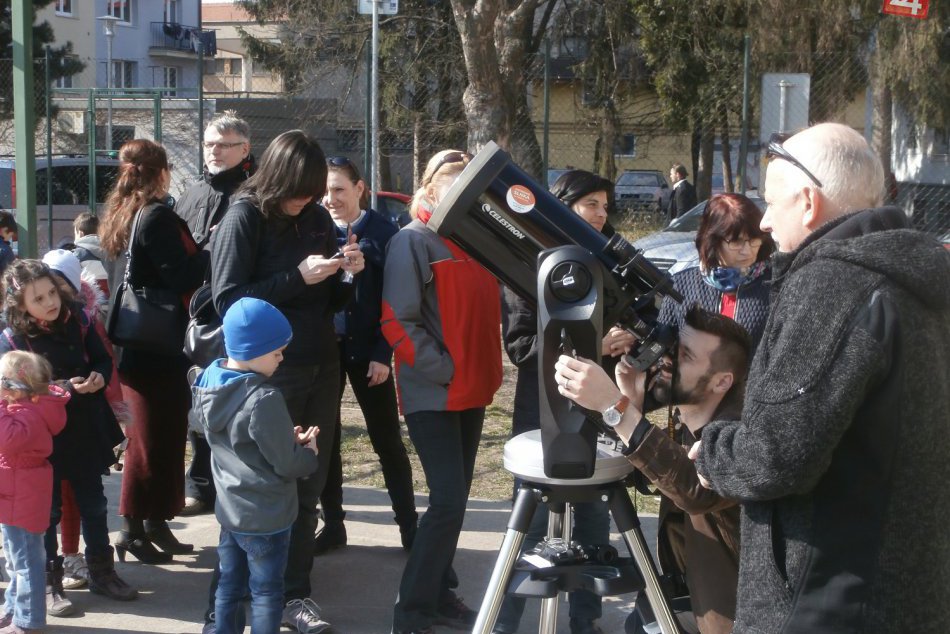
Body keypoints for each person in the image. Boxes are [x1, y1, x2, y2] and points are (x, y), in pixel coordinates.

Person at [685, 122, 950, 633]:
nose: (762, 223)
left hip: (824, 603)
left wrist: (714, 451)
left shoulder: (831, 285)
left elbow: (776, 457)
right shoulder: (914, 278)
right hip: (901, 590)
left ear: (807, 203)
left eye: (771, 201)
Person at [209, 129, 364, 634]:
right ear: (275, 178)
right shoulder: (244, 216)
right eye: (298, 190)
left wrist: (345, 274)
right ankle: (227, 606)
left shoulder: (317, 217)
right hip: (267, 376)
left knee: (306, 483)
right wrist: (299, 276)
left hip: (320, 362)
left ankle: (293, 595)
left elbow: (330, 303)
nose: (306, 201)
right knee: (257, 489)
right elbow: (228, 302)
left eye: (313, 191)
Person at [495, 169, 636, 634]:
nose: (601, 215)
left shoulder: (609, 260)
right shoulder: (528, 265)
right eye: (591, 204)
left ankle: (585, 623)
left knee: (595, 523)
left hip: (599, 413)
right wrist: (597, 346)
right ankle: (502, 622)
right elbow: (522, 349)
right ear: (564, 207)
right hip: (546, 413)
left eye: (604, 205)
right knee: (531, 529)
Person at [554, 306, 751, 634]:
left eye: (686, 356)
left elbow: (695, 489)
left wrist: (614, 407)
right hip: (692, 595)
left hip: (736, 618)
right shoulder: (690, 420)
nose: (668, 360)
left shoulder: (739, 436)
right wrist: (630, 404)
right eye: (673, 347)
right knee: (641, 618)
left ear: (722, 382)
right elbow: (658, 470)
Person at [382, 149, 503, 634]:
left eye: (468, 183)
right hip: (434, 393)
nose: (461, 190)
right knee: (447, 501)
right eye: (451, 181)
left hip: (470, 390)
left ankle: (438, 593)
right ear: (428, 188)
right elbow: (397, 321)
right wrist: (445, 370)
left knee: (454, 501)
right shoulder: (411, 242)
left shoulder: (474, 243)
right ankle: (410, 611)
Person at [0, 260, 136, 617]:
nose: (49, 302)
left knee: (94, 503)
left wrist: (97, 377)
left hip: (87, 428)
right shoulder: (12, 338)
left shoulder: (79, 317)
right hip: (43, 436)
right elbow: (13, 389)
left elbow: (104, 360)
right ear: (19, 305)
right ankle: (49, 583)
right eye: (37, 298)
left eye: (50, 292)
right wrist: (63, 389)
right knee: (47, 512)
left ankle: (102, 572)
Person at [99, 139, 209, 565]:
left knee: (161, 436)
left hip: (137, 343)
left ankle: (157, 520)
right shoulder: (157, 215)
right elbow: (180, 273)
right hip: (157, 343)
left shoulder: (121, 213)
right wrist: (211, 250)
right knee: (149, 441)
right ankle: (130, 528)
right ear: (162, 172)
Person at [191, 298, 320, 634]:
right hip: (267, 514)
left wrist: (280, 437)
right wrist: (308, 452)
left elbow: (241, 440)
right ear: (251, 350)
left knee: (229, 586)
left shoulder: (209, 383)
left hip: (231, 511)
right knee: (266, 593)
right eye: (276, 352)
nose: (281, 358)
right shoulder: (263, 398)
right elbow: (288, 463)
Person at [313, 156, 416, 556]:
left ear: (360, 189)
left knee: (386, 438)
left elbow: (397, 300)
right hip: (326, 352)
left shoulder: (387, 233)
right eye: (324, 191)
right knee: (326, 437)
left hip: (369, 350)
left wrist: (381, 352)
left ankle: (409, 526)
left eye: (338, 189)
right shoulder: (315, 230)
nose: (331, 198)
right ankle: (333, 523)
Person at [175, 110, 256, 518]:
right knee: (197, 402)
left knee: (232, 403)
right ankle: (198, 482)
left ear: (245, 149)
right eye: (209, 143)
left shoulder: (254, 194)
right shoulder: (192, 193)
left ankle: (233, 484)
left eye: (223, 144)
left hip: (235, 314)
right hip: (190, 317)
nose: (214, 151)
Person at [0, 351, 69, 634]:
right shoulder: (28, 409)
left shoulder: (28, 413)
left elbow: (8, 440)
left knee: (27, 562)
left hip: (22, 497)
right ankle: (13, 609)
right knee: (17, 560)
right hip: (18, 493)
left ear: (15, 387)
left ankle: (29, 620)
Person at [658, 193, 774, 350]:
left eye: (754, 240)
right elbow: (662, 344)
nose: (747, 251)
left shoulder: (775, 283)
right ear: (712, 240)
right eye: (736, 241)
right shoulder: (681, 285)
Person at [71, 213, 112, 307]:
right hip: (110, 300)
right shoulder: (110, 251)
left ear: (80, 233)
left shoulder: (77, 254)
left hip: (89, 302)